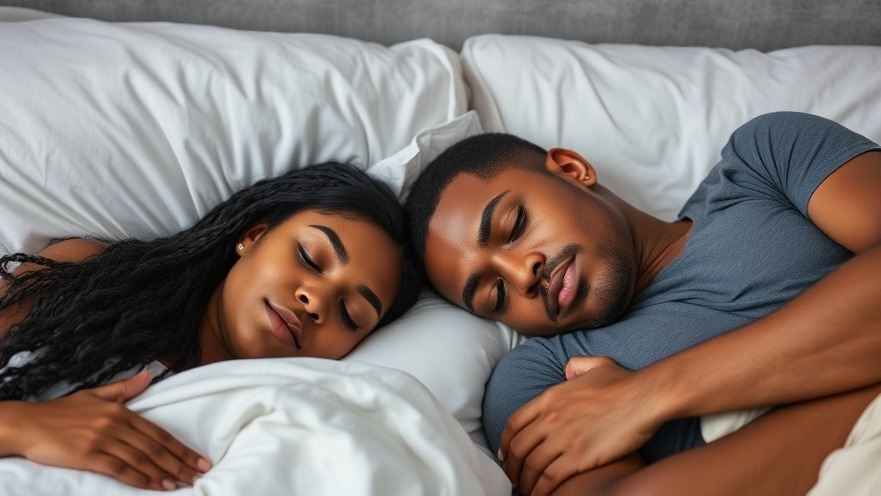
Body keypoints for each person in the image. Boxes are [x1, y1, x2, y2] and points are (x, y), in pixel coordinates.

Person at [406, 111, 881, 495]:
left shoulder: (763, 161)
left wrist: (647, 395)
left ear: (573, 169)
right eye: (494, 295)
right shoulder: (542, 379)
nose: (520, 273)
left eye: (513, 226)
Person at [0, 162, 421, 491]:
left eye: (351, 315)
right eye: (311, 259)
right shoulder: (91, 281)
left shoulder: (283, 429)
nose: (316, 301)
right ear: (253, 235)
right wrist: (22, 427)